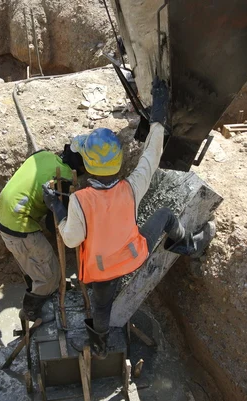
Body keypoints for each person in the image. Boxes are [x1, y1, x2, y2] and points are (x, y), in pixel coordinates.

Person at [42, 78, 216, 358]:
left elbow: (72, 239)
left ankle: (99, 345)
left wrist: (56, 207)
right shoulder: (132, 188)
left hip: (102, 272)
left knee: (101, 307)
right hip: (134, 255)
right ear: (120, 161)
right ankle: (186, 244)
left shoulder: (80, 201)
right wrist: (158, 116)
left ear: (87, 165)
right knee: (165, 216)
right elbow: (151, 155)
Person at [0, 145, 85, 322]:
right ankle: (30, 311)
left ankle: (42, 290)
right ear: (80, 167)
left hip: (2, 212)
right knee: (49, 276)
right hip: (18, 225)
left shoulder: (44, 155)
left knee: (38, 264)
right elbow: (53, 223)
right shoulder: (63, 179)